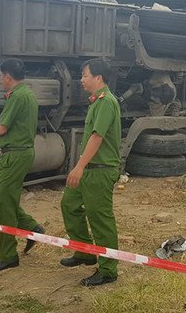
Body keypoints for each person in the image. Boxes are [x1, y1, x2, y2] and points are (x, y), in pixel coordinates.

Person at [0, 59, 45, 272]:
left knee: (4, 201)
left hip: (14, 154)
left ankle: (7, 255)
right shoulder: (28, 93)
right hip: (20, 153)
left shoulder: (17, 96)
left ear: (7, 76)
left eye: (0, 76)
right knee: (1, 195)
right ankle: (33, 228)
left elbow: (3, 128)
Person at [60, 58, 121, 286]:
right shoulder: (96, 102)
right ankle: (84, 251)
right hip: (90, 170)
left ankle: (108, 269)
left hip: (99, 170)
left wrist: (79, 166)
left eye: (85, 75)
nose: (81, 80)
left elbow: (97, 137)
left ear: (98, 78)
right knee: (70, 205)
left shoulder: (105, 102)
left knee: (100, 219)